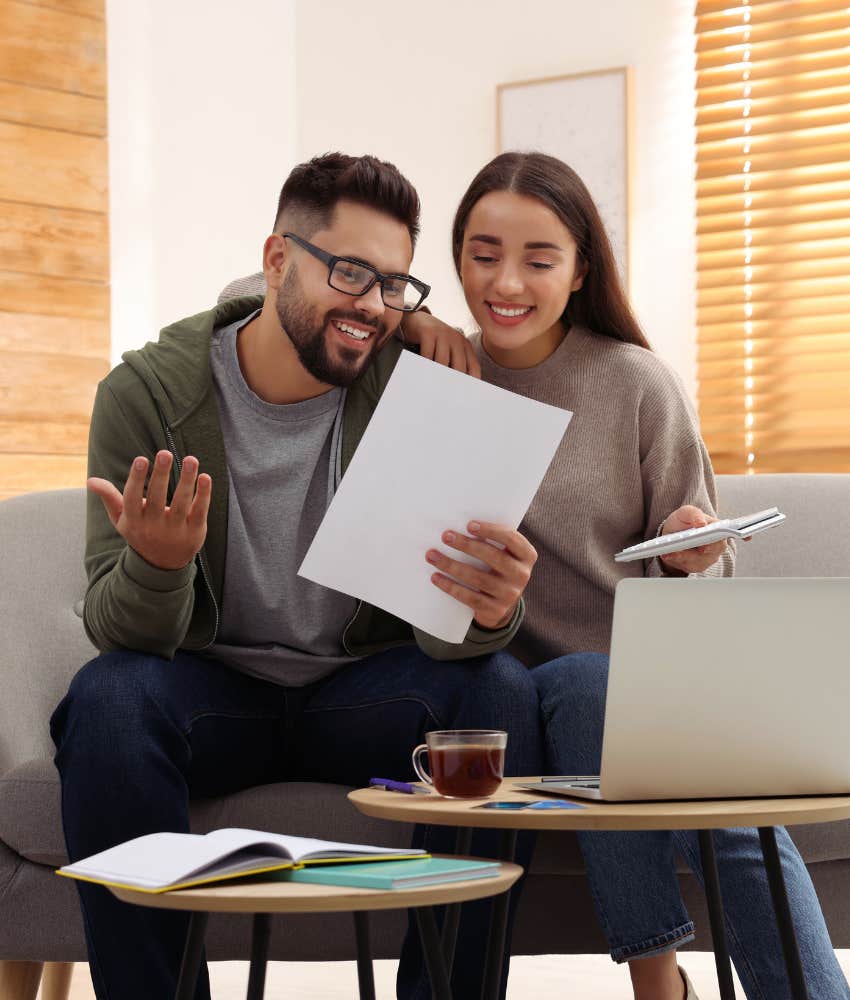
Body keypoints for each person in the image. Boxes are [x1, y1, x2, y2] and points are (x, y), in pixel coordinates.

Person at [50, 152, 544, 1000]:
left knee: (500, 691)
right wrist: (161, 568)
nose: (373, 307)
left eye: (394, 286)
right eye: (351, 273)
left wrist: (490, 611)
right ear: (277, 260)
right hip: (212, 693)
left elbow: (444, 626)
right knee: (108, 699)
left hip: (360, 693)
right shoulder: (147, 394)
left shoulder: (414, 386)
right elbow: (118, 631)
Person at [402, 151, 850, 1000]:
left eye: (539, 260)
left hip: (651, 688)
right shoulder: (434, 375)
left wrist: (691, 556)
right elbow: (271, 295)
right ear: (454, 259)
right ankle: (660, 986)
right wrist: (405, 324)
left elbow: (708, 578)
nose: (507, 281)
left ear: (579, 273)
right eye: (483, 253)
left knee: (618, 715)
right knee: (573, 686)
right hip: (502, 691)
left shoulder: (634, 383)